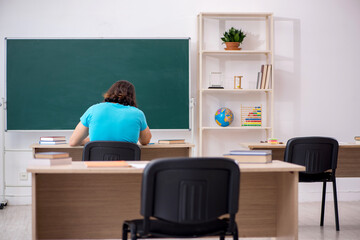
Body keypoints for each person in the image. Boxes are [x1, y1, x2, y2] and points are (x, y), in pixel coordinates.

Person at [69, 80, 152, 146]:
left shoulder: (93, 109)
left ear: (109, 93)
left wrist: (90, 141)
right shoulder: (138, 114)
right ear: (132, 97)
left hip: (97, 165)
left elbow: (73, 142)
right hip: (126, 165)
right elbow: (145, 141)